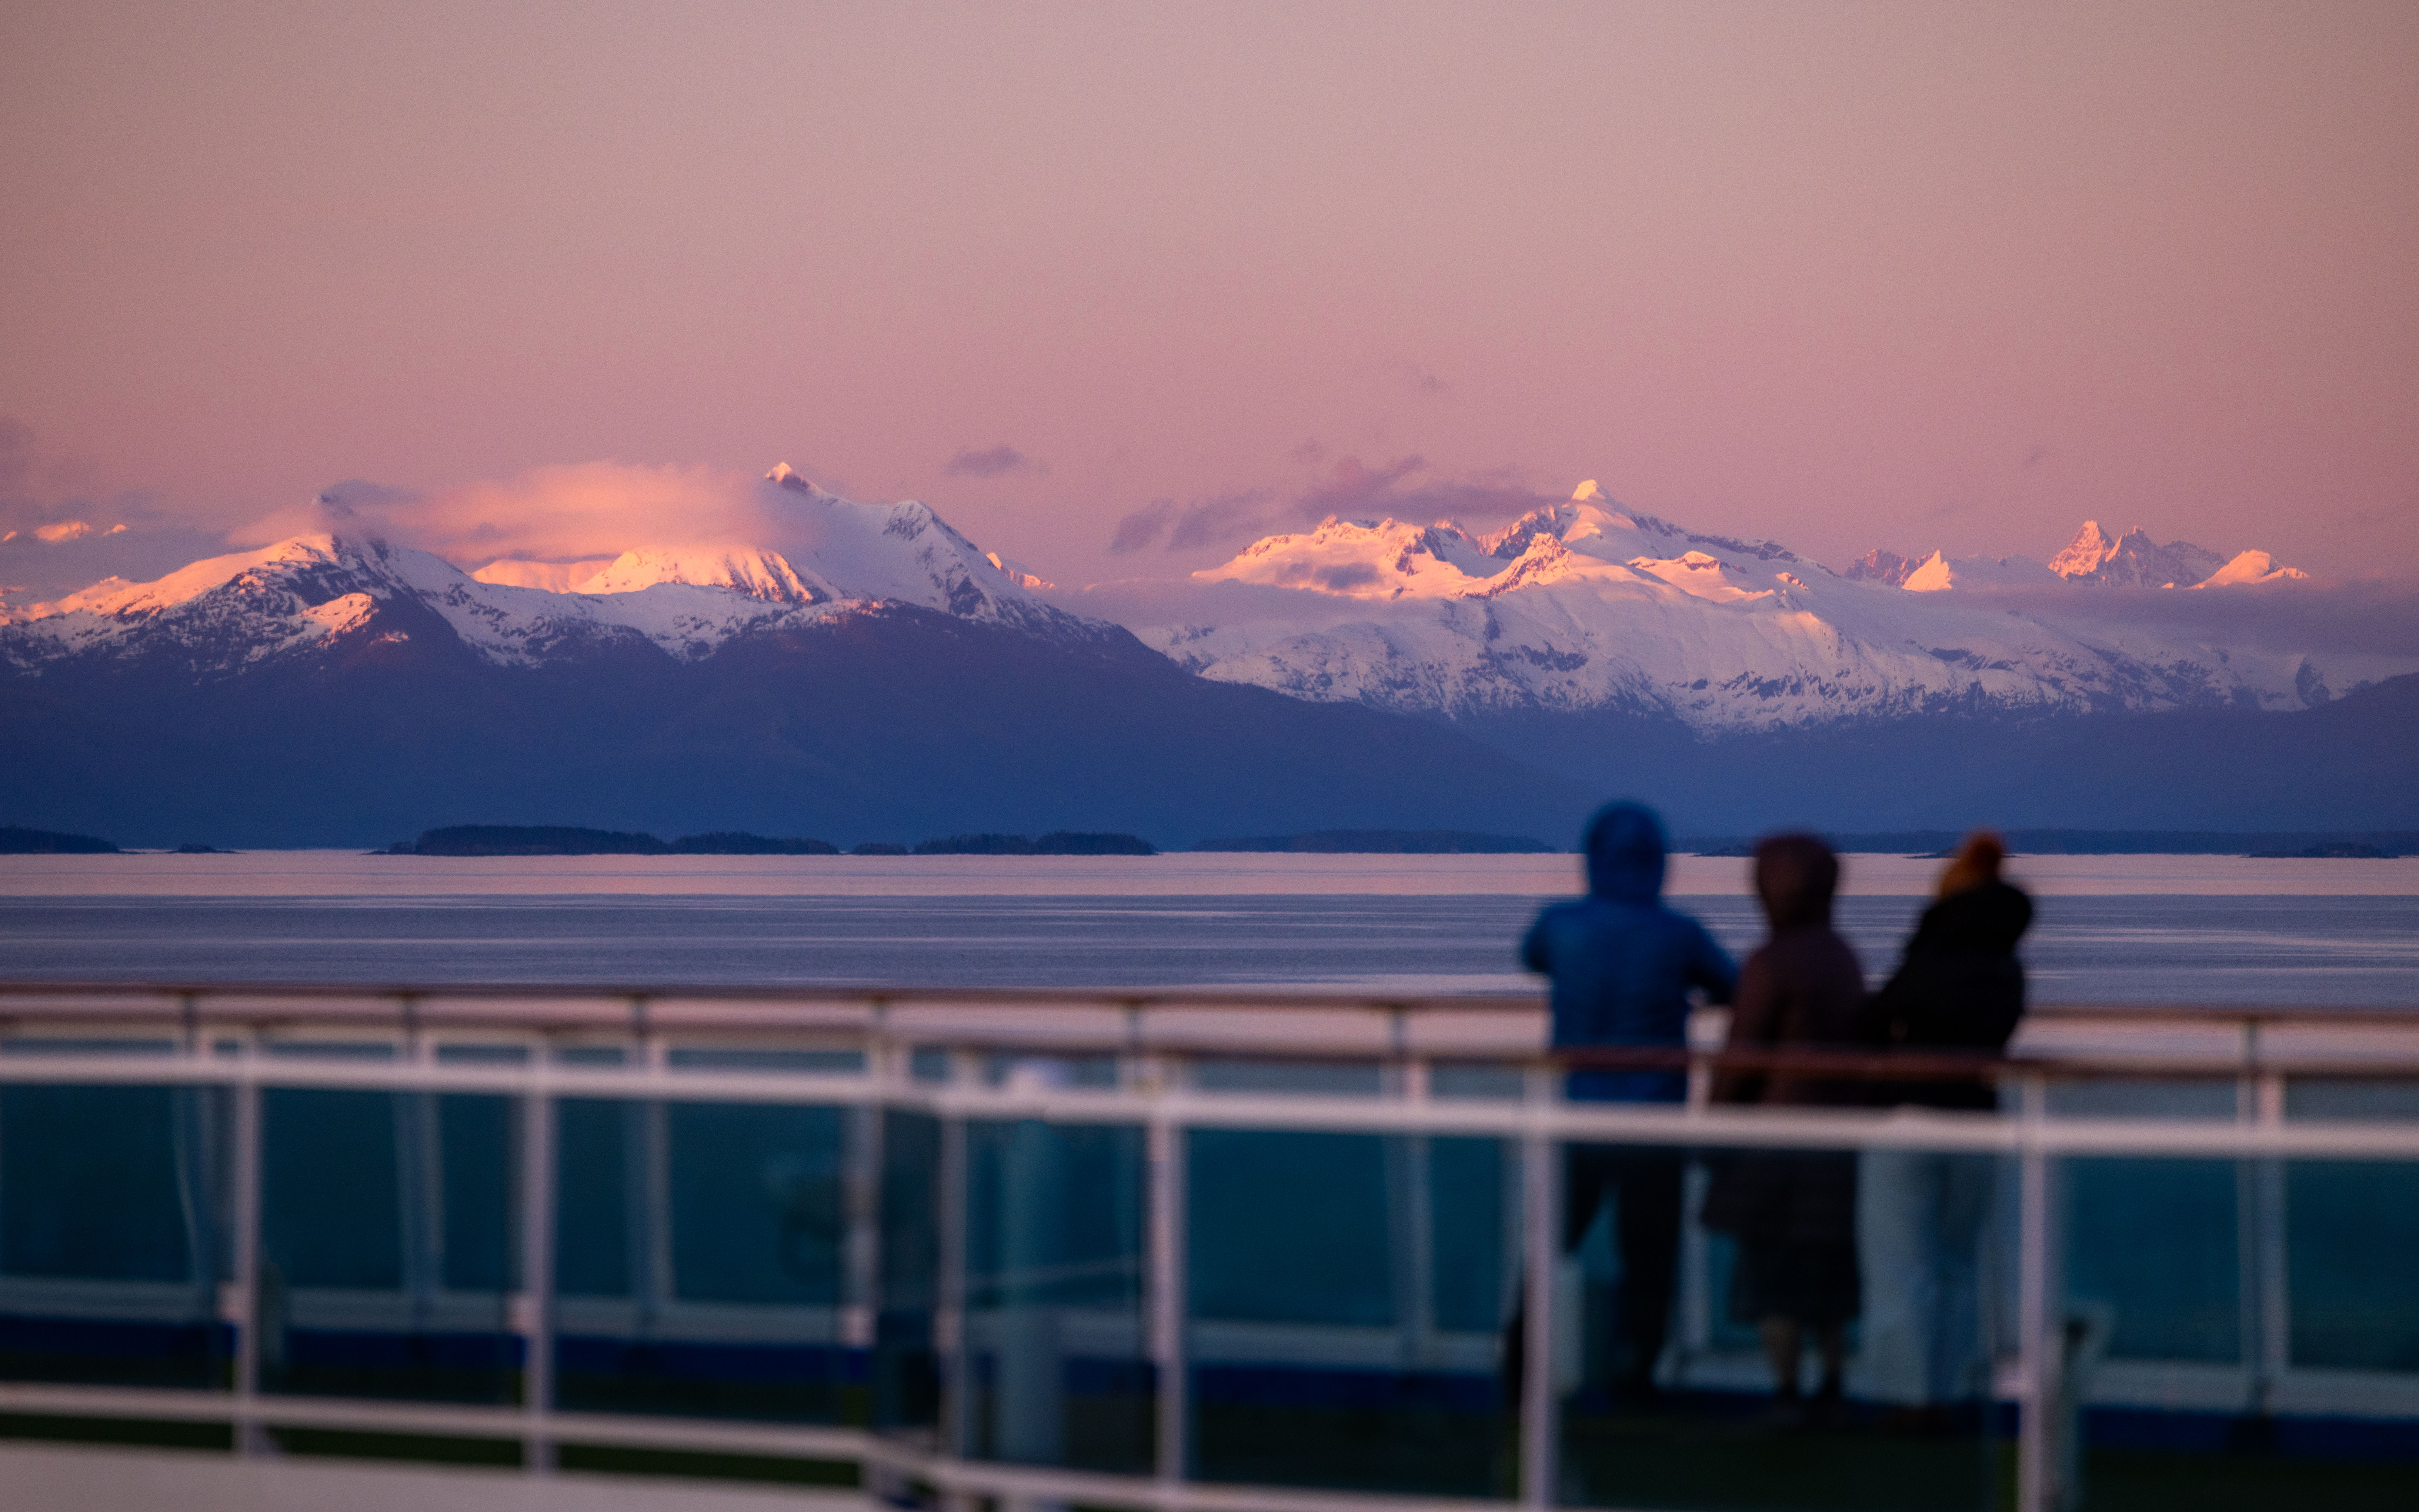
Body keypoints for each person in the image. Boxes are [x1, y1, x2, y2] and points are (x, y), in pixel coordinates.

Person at [1507, 800, 1737, 1406]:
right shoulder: (1678, 934)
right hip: (1652, 1126)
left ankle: (1517, 1367)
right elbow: (1732, 986)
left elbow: (1531, 956)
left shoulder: (1559, 924)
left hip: (1576, 1119)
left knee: (1550, 1247)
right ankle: (1639, 1377)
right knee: (1649, 1260)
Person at [1857, 830, 2031, 1430]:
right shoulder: (2007, 966)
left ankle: (1907, 1396)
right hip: (1976, 1122)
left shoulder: (1930, 955)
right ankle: (1953, 1387)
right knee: (1958, 1265)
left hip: (1907, 1119)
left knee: (1900, 1264)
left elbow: (1872, 1020)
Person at [1702, 833, 1868, 1424]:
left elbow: (1741, 1056)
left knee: (1772, 1274)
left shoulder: (1769, 962)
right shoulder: (1843, 956)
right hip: (1839, 1144)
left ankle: (1786, 1390)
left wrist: (1714, 1126)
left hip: (1773, 1149)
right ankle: (1833, 1384)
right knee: (1829, 1272)